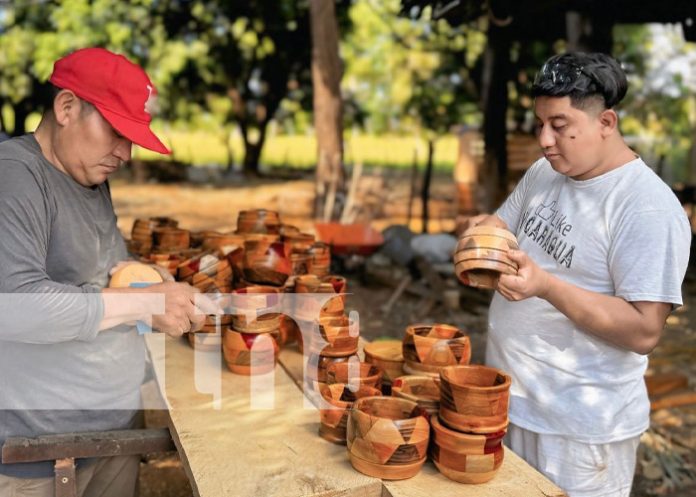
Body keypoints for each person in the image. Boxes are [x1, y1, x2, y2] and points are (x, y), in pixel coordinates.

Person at [466, 52, 691, 497]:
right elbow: (502, 227)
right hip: (514, 405)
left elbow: (644, 329)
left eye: (561, 125)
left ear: (606, 122)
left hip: (581, 431)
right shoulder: (544, 173)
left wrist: (546, 287)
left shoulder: (645, 206)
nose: (546, 140)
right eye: (539, 124)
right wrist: (479, 238)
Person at [0, 47, 213, 496]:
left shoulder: (88, 177)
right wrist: (144, 302)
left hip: (110, 431)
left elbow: (104, 275)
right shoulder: (15, 176)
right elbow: (16, 306)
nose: (127, 153)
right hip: (43, 450)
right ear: (66, 107)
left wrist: (152, 279)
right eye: (116, 131)